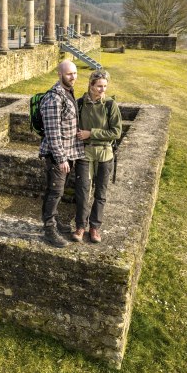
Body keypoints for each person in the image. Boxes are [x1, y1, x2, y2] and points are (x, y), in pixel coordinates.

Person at [73, 70, 122, 243]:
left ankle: (95, 228)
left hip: (105, 154)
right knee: (83, 191)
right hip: (85, 153)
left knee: (100, 192)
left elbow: (116, 132)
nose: (103, 89)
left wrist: (91, 133)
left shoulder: (110, 105)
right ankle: (80, 226)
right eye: (99, 86)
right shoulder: (79, 104)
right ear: (91, 85)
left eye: (105, 86)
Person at [39, 60, 84, 248]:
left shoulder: (68, 92)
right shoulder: (53, 98)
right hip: (57, 155)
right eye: (68, 74)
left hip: (69, 152)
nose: (73, 77)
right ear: (59, 74)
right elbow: (52, 132)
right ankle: (49, 230)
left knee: (57, 191)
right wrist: (61, 158)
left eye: (74, 73)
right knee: (54, 192)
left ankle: (55, 221)